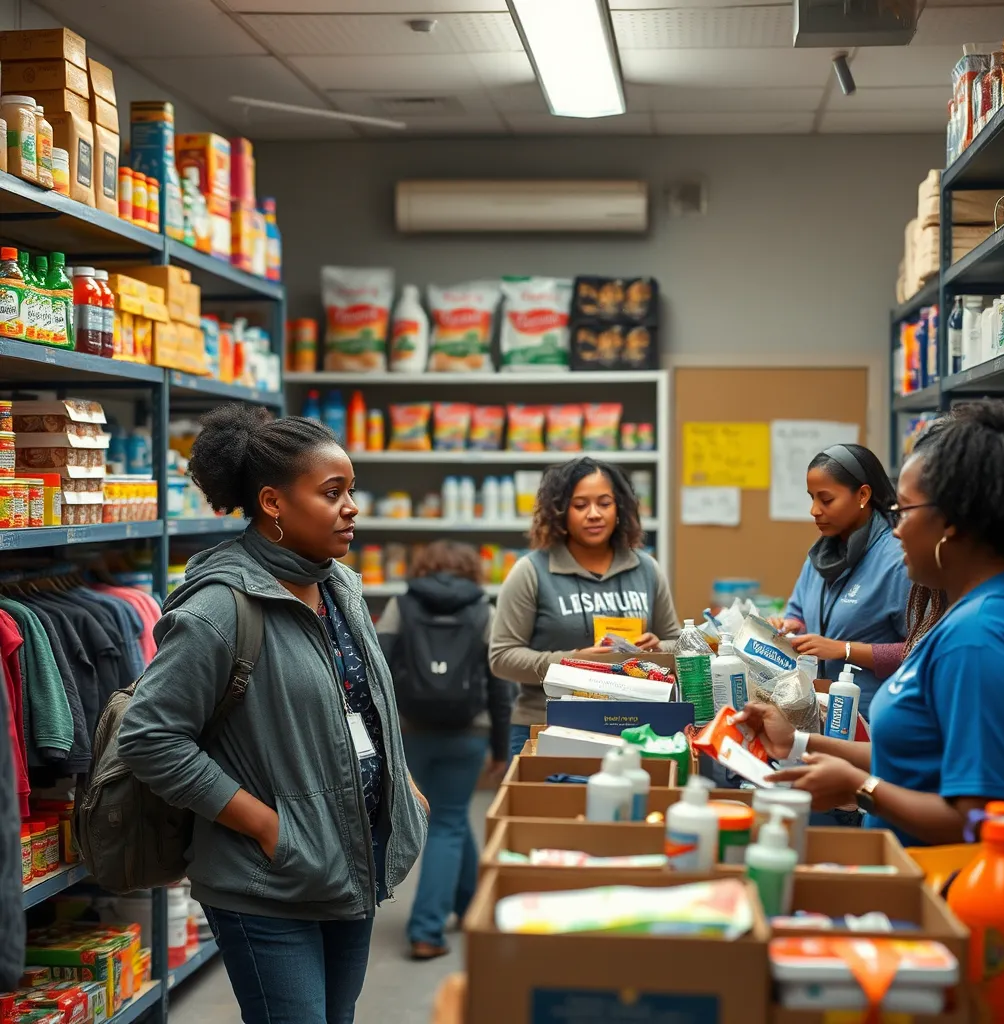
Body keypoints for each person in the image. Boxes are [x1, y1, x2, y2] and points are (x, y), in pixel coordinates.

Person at [118, 405, 427, 1024]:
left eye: (352, 491)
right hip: (269, 881)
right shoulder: (220, 608)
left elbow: (361, 700)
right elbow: (150, 737)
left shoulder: (339, 586)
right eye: (332, 492)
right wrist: (266, 826)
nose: (351, 508)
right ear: (273, 503)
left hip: (350, 862)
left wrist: (403, 784)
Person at [737, 401, 1004, 846]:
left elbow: (985, 822)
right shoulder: (975, 616)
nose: (895, 530)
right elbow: (911, 758)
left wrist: (859, 789)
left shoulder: (977, 640)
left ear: (951, 522)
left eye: (905, 511)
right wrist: (795, 743)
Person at [376, 541, 513, 962]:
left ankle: (470, 905)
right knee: (449, 822)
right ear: (472, 570)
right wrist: (500, 746)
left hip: (410, 730)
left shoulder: (403, 604)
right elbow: (499, 686)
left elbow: (379, 666)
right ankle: (426, 930)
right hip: (467, 731)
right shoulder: (484, 610)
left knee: (445, 819)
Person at [490, 456, 680, 760]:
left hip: (634, 727)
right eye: (580, 506)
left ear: (620, 508)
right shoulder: (530, 571)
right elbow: (501, 657)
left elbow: (678, 645)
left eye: (604, 503)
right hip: (547, 725)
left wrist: (658, 648)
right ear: (560, 513)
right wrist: (572, 663)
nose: (594, 514)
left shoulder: (646, 569)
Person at [769, 442, 911, 713]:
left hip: (874, 721)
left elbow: (921, 651)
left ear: (863, 495)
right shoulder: (820, 556)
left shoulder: (898, 562)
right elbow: (799, 613)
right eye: (811, 498)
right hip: (820, 712)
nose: (814, 510)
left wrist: (844, 650)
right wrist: (788, 625)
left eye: (826, 499)